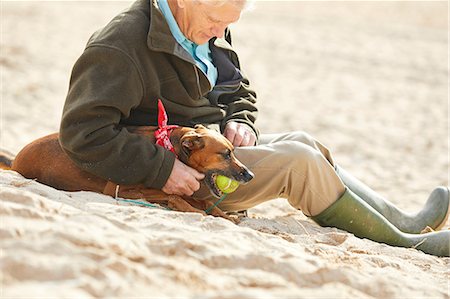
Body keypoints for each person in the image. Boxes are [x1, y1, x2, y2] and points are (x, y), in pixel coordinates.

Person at [59, 0, 449, 257]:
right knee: (299, 162)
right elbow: (81, 132)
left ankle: (401, 221)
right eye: (216, 21)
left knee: (302, 140)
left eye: (228, 23)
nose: (220, 32)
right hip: (182, 177)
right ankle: (405, 244)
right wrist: (162, 170)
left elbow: (237, 89)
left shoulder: (202, 22)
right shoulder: (119, 47)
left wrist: (240, 121)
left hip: (210, 146)